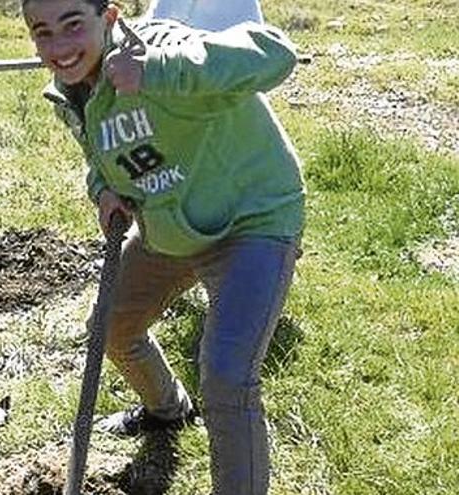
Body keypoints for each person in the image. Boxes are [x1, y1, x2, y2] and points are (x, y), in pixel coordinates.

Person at [21, 0, 304, 493]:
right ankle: (168, 410)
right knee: (112, 329)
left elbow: (275, 53)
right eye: (43, 32)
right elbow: (104, 156)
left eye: (72, 25)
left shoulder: (160, 48)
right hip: (169, 226)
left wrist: (159, 71)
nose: (59, 47)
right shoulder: (73, 88)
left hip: (251, 220)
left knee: (226, 378)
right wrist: (103, 190)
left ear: (109, 19)